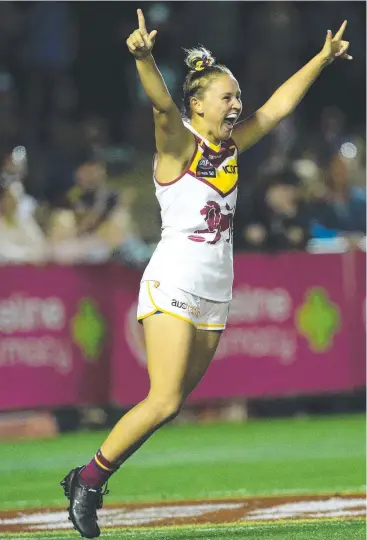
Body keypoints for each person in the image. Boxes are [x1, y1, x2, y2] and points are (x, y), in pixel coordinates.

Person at [60, 10, 352, 538]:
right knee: (164, 398)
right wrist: (145, 57)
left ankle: (88, 476)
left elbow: (279, 107)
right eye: (227, 97)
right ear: (198, 104)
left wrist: (322, 58)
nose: (237, 105)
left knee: (171, 406)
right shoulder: (178, 144)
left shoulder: (232, 147)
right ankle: (87, 482)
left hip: (217, 291)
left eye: (238, 97)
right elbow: (160, 103)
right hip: (173, 280)